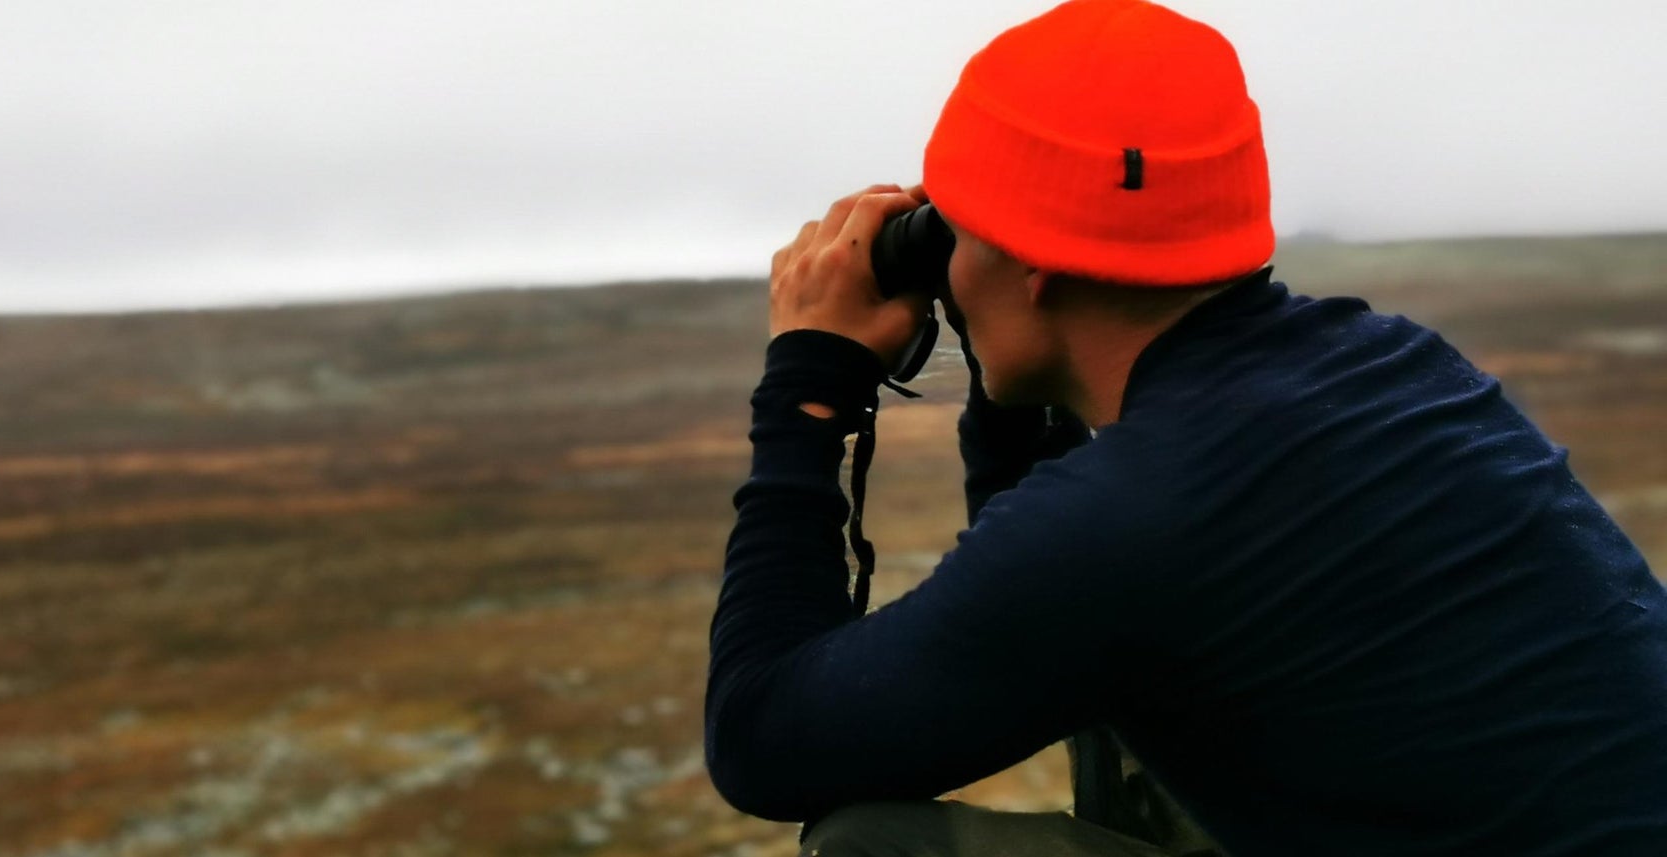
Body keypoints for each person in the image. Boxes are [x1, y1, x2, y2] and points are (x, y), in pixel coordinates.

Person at [703, 1, 1667, 855]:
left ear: (1031, 271)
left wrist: (810, 381)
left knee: (875, 842)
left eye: (958, 236)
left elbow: (762, 740)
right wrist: (1014, 358)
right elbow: (1050, 620)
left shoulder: (1141, 515)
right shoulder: (1388, 363)